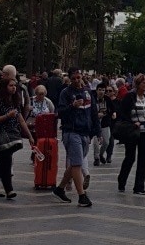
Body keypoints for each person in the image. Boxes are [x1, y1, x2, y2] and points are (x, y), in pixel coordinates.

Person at [53, 67, 100, 207]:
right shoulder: (66, 93)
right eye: (73, 78)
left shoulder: (87, 92)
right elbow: (60, 112)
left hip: (85, 132)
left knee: (75, 163)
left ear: (82, 77)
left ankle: (60, 189)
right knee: (77, 163)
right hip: (72, 131)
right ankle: (81, 196)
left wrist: (96, 131)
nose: (76, 81)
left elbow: (94, 112)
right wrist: (72, 106)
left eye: (78, 78)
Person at [0, 76, 35, 199]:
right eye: (11, 85)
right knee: (6, 161)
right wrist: (7, 116)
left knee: (0, 163)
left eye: (15, 86)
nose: (14, 88)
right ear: (4, 87)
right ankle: (9, 190)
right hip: (0, 136)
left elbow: (21, 120)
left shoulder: (15, 101)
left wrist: (29, 136)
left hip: (12, 136)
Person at [117, 74, 145, 195]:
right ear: (138, 84)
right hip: (133, 131)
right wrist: (132, 122)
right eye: (144, 83)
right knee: (130, 157)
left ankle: (139, 187)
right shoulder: (130, 96)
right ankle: (122, 180)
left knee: (143, 158)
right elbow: (122, 113)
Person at [92, 82, 113, 166]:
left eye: (103, 90)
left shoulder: (107, 99)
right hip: (95, 123)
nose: (101, 92)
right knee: (96, 142)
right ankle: (96, 158)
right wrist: (96, 114)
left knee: (106, 142)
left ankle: (101, 154)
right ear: (96, 90)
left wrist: (109, 114)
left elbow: (112, 109)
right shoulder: (93, 99)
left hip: (105, 122)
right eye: (99, 90)